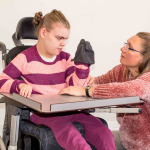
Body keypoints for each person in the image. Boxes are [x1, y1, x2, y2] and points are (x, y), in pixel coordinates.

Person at [0, 10, 115, 150]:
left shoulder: (65, 58)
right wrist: (19, 85)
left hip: (70, 110)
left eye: (65, 39)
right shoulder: (25, 58)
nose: (63, 43)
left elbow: (76, 87)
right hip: (43, 114)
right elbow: (2, 80)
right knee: (77, 142)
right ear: (43, 33)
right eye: (59, 38)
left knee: (104, 133)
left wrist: (83, 67)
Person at [60, 32, 150, 150]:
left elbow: (129, 89)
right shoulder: (122, 70)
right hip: (126, 142)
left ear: (144, 57)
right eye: (125, 44)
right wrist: (88, 80)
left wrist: (86, 91)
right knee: (92, 139)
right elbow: (100, 82)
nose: (122, 49)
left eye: (129, 47)